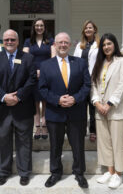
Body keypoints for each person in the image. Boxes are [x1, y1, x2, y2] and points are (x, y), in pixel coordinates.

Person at [39, 32, 91, 188]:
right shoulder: (45, 65)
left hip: (76, 112)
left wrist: (75, 98)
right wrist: (57, 100)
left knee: (78, 145)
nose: (63, 45)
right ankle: (55, 173)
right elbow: (42, 88)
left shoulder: (80, 63)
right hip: (55, 112)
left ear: (70, 45)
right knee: (55, 145)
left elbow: (87, 85)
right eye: (59, 42)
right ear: (54, 45)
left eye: (66, 42)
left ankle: (79, 173)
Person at [0, 29, 36, 186]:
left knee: (25, 142)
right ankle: (3, 171)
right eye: (6, 39)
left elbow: (32, 79)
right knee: (2, 142)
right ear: (3, 41)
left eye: (12, 39)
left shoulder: (28, 58)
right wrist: (4, 97)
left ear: (18, 41)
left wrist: (18, 96)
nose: (9, 42)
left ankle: (24, 172)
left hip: (23, 107)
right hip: (2, 109)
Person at [91, 33, 123, 188]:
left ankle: (118, 174)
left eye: (109, 44)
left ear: (115, 44)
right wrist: (96, 102)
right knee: (105, 143)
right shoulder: (99, 64)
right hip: (100, 110)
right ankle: (110, 170)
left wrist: (109, 103)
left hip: (117, 110)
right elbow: (93, 85)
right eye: (104, 45)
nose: (106, 47)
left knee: (117, 143)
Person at [23, 18, 56, 140]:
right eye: (37, 25)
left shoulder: (50, 41)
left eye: (41, 25)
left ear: (44, 27)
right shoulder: (28, 41)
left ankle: (45, 126)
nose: (39, 27)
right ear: (33, 27)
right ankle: (37, 127)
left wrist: (43, 71)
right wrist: (34, 71)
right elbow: (25, 58)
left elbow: (53, 57)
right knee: (36, 102)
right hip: (32, 75)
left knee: (45, 102)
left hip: (46, 74)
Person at [74, 20, 99, 142]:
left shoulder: (99, 44)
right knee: (81, 106)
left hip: (94, 79)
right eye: (86, 28)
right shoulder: (79, 45)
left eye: (90, 28)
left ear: (95, 29)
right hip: (81, 81)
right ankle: (82, 129)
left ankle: (93, 130)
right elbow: (74, 62)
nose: (88, 30)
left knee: (93, 106)